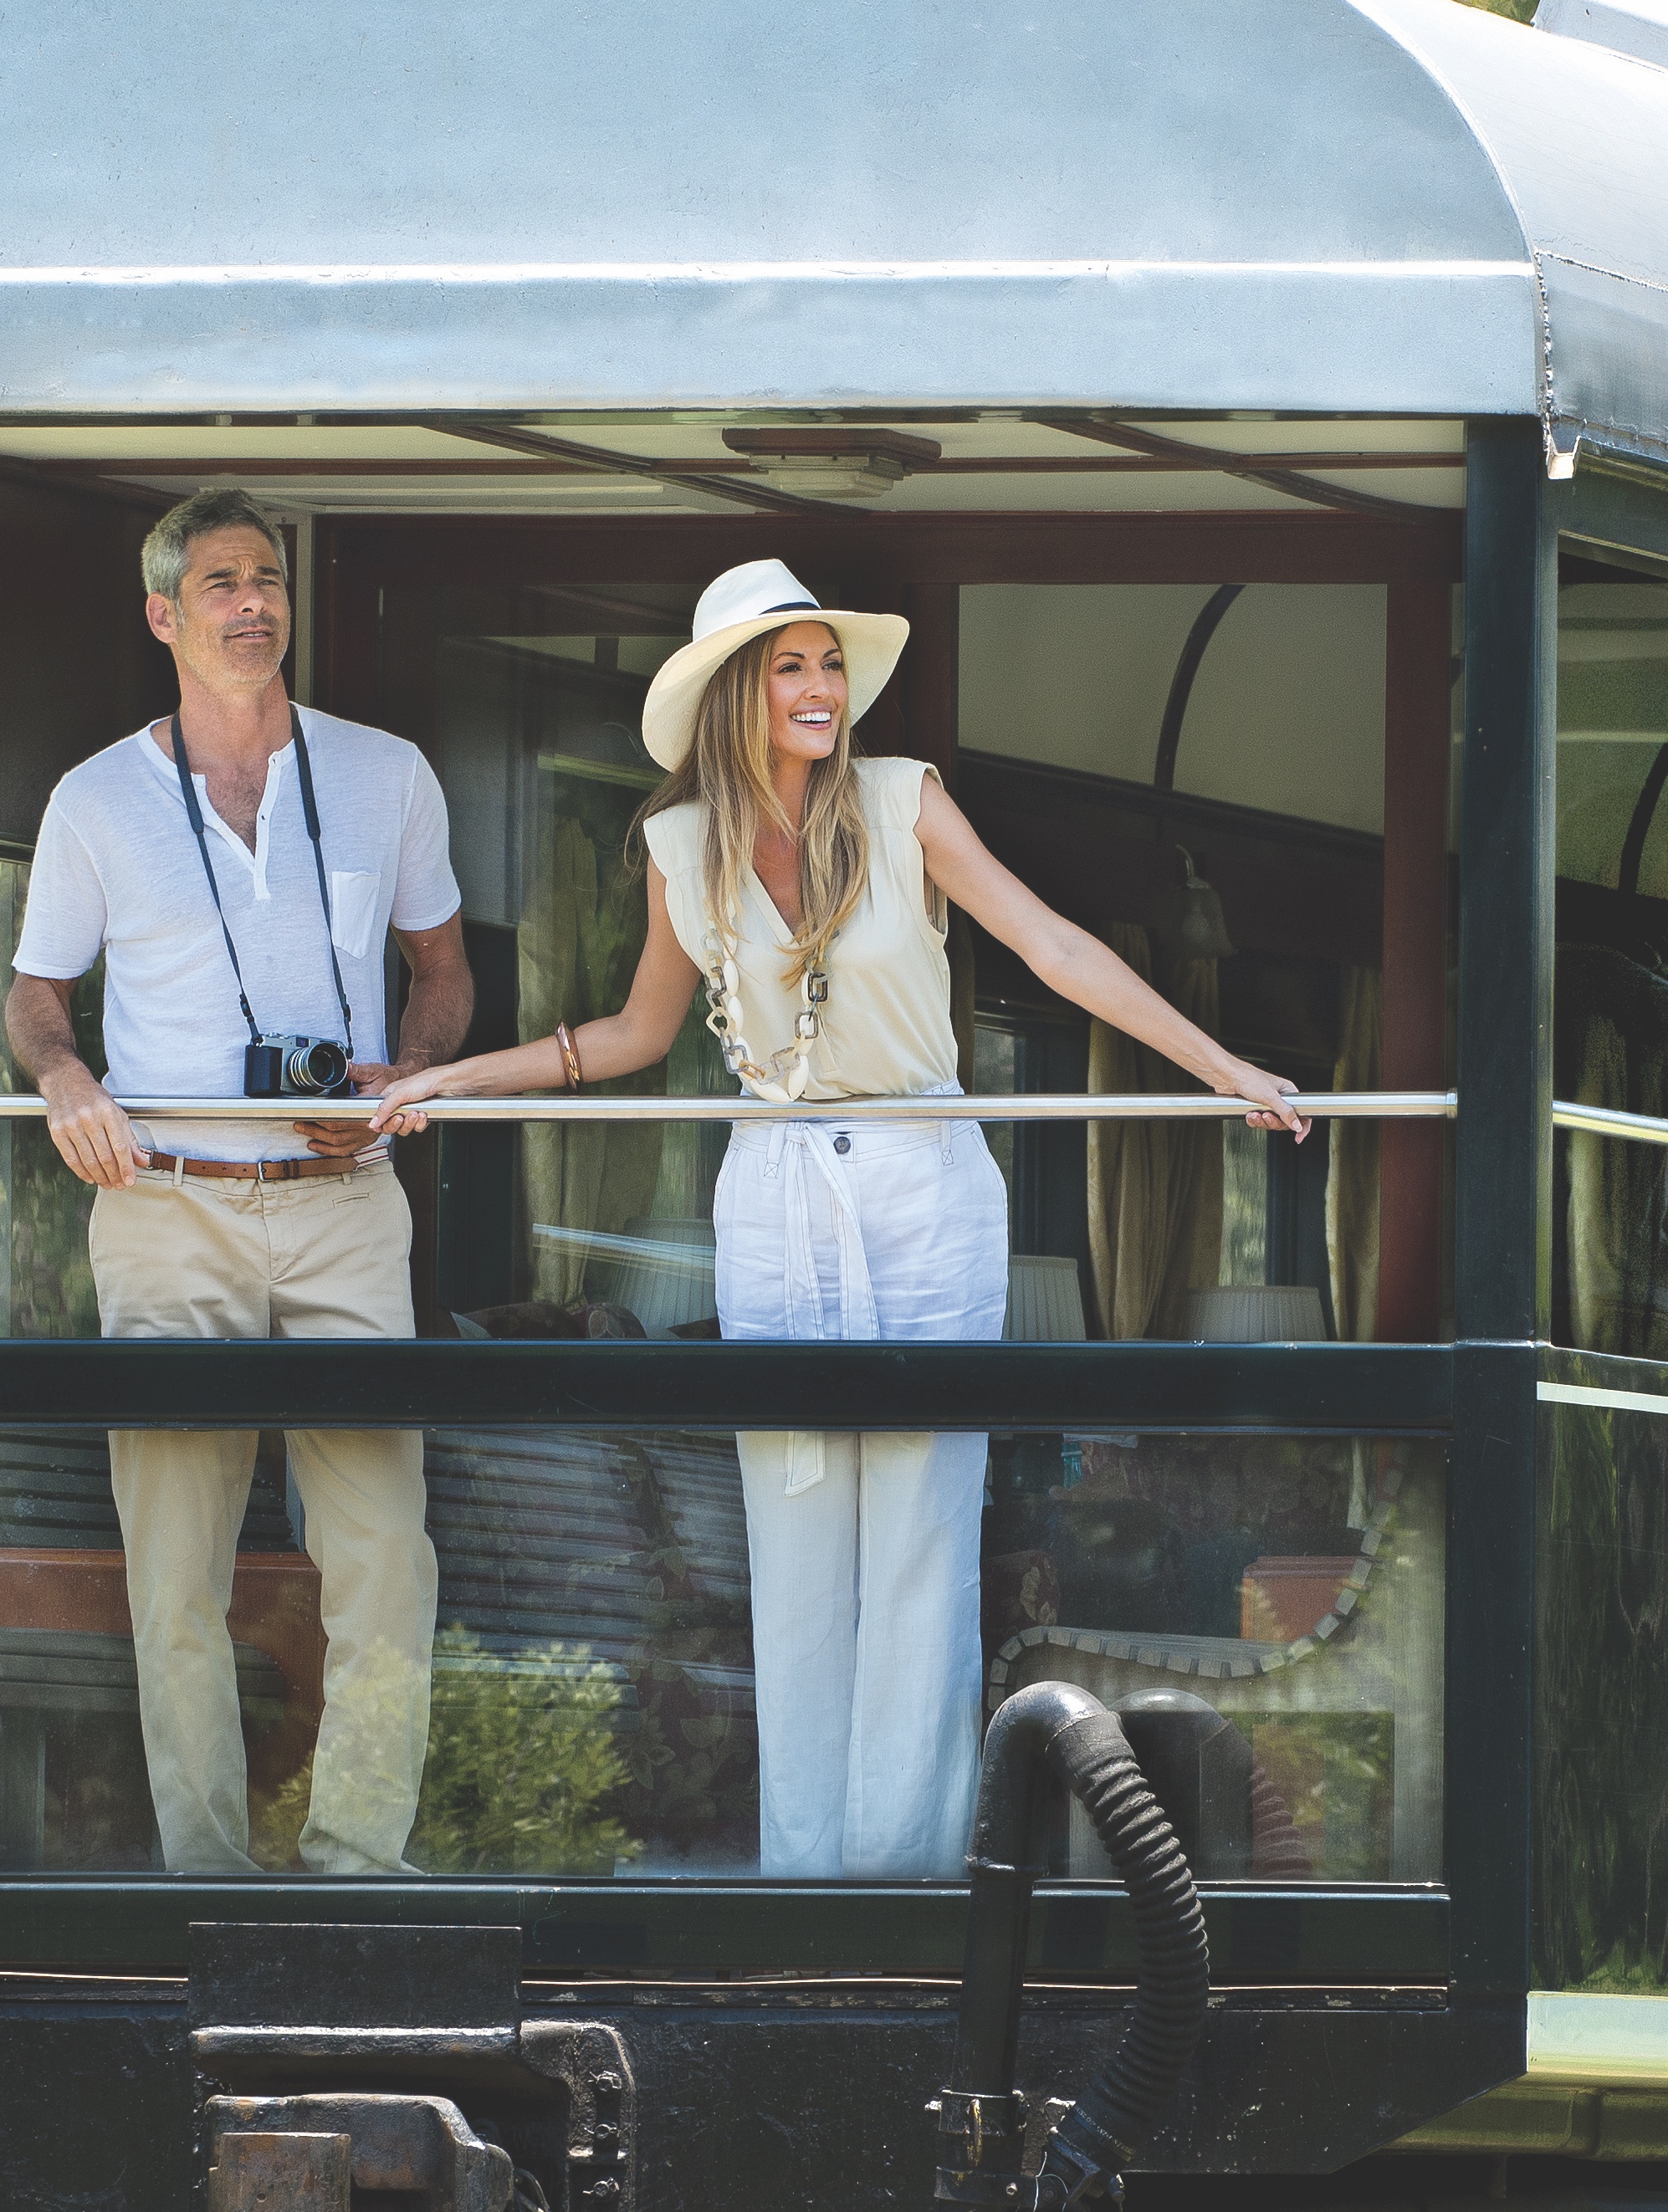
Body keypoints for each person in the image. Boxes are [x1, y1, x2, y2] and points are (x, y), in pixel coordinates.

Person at [370, 558, 1306, 1877]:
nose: (819, 690)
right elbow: (636, 1033)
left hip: (926, 1181)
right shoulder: (676, 847)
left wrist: (1225, 1074)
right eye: (789, 667)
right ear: (733, 695)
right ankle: (802, 1878)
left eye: (827, 665)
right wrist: (452, 1080)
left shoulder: (901, 799)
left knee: (921, 1533)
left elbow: (1053, 948)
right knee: (798, 1533)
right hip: (778, 1193)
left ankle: (906, 1880)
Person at [5, 492, 470, 1877]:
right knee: (176, 1578)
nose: (251, 602)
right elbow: (35, 1000)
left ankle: (356, 1872)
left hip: (343, 1207)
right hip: (168, 1205)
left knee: (387, 1556)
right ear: (164, 615)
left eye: (268, 578)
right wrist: (65, 1084)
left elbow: (443, 973)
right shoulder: (92, 799)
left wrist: (401, 1079)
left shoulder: (387, 772)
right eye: (219, 582)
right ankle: (201, 1884)